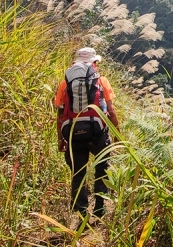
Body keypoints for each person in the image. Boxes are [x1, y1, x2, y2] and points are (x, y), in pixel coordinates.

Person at [54, 47, 120, 221]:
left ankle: (81, 212)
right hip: (98, 133)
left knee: (78, 173)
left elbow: (60, 114)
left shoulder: (65, 83)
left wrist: (61, 139)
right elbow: (111, 111)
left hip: (73, 133)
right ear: (95, 63)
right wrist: (116, 134)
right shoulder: (102, 81)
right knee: (102, 168)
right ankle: (99, 208)